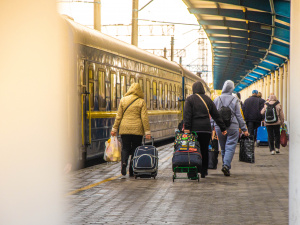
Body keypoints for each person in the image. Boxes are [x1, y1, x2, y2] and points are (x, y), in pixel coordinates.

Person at [183, 81, 227, 178]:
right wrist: (223, 128)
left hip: (194, 130)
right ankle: (204, 171)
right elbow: (216, 115)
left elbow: (187, 115)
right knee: (204, 150)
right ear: (202, 89)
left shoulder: (190, 99)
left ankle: (192, 171)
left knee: (192, 150)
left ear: (194, 89)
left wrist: (186, 128)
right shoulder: (208, 100)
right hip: (206, 130)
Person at [111, 83, 151, 177]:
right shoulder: (141, 101)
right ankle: (132, 169)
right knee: (136, 149)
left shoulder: (123, 100)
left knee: (125, 148)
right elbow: (144, 118)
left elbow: (118, 116)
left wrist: (114, 129)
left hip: (125, 129)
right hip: (137, 130)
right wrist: (147, 132)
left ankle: (124, 163)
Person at [213, 80, 249, 176]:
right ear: (232, 89)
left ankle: (226, 165)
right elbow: (239, 116)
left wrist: (213, 126)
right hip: (233, 127)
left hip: (219, 127)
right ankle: (226, 165)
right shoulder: (235, 100)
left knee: (224, 147)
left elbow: (213, 115)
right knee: (230, 147)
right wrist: (244, 129)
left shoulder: (217, 99)